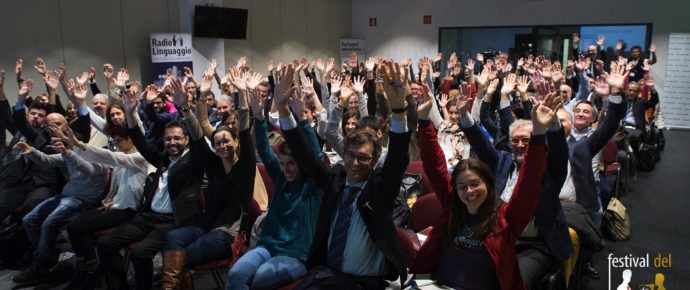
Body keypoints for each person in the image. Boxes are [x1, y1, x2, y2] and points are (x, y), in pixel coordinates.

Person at [281, 61, 411, 289]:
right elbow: (304, 154)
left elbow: (398, 158)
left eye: (363, 158)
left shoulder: (380, 190)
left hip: (364, 283)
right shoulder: (336, 180)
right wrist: (283, 109)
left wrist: (399, 111)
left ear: (374, 161)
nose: (354, 163)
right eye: (350, 155)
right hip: (328, 275)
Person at [410, 88, 554, 290]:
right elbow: (435, 168)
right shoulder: (454, 206)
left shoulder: (505, 218)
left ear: (488, 183)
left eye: (475, 184)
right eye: (463, 187)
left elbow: (528, 185)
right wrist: (424, 121)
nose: (469, 191)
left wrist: (538, 134)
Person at [96, 80, 204, 290]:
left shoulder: (195, 162)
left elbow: (200, 142)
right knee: (104, 244)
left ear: (187, 140)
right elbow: (142, 143)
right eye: (168, 139)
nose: (172, 143)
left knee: (140, 253)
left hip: (171, 222)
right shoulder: (163, 159)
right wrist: (129, 113)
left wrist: (185, 108)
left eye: (177, 139)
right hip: (147, 217)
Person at [160, 70, 257, 290]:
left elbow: (244, 128)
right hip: (207, 227)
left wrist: (242, 93)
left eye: (226, 141)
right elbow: (196, 134)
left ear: (235, 143)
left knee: (181, 258)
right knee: (173, 238)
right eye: (218, 143)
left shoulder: (245, 167)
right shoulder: (213, 165)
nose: (222, 145)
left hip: (229, 233)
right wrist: (185, 108)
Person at [226, 74, 324, 290]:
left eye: (292, 164)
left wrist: (303, 119)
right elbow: (263, 149)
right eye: (283, 163)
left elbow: (315, 156)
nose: (286, 169)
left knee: (260, 280)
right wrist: (259, 118)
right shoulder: (281, 178)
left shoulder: (314, 184)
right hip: (268, 246)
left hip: (298, 255)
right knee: (235, 275)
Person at [12, 121, 109, 285]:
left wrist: (68, 153)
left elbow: (88, 169)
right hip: (67, 195)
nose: (62, 145)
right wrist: (31, 151)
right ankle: (48, 258)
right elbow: (47, 160)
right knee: (29, 220)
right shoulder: (68, 153)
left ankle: (40, 265)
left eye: (65, 141)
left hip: (84, 200)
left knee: (49, 223)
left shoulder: (98, 158)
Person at [61, 124, 153, 290]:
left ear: (130, 139)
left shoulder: (140, 158)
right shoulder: (121, 156)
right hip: (115, 206)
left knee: (80, 229)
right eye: (114, 141)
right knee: (73, 226)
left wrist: (78, 144)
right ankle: (91, 270)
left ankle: (93, 271)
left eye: (119, 141)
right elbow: (116, 188)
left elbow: (110, 157)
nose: (116, 144)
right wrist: (109, 201)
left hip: (129, 211)